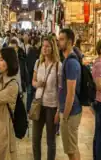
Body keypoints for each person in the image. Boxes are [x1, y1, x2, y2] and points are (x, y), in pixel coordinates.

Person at [32, 36, 62, 160]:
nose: (45, 49)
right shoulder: (38, 63)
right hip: (39, 104)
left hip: (51, 106)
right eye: (43, 46)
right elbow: (33, 81)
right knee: (35, 139)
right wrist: (37, 84)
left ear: (53, 48)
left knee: (51, 141)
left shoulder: (58, 66)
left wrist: (58, 111)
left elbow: (61, 89)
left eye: (48, 46)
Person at [58, 28, 82, 160]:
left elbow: (70, 93)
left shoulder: (71, 63)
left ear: (70, 42)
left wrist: (65, 116)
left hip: (71, 113)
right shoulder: (68, 60)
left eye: (62, 39)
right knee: (72, 148)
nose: (59, 42)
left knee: (71, 150)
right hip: (70, 111)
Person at [26, 37, 40, 111]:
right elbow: (31, 65)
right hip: (31, 76)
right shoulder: (33, 51)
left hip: (30, 75)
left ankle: (29, 108)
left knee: (30, 93)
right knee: (30, 93)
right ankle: (29, 108)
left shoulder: (32, 50)